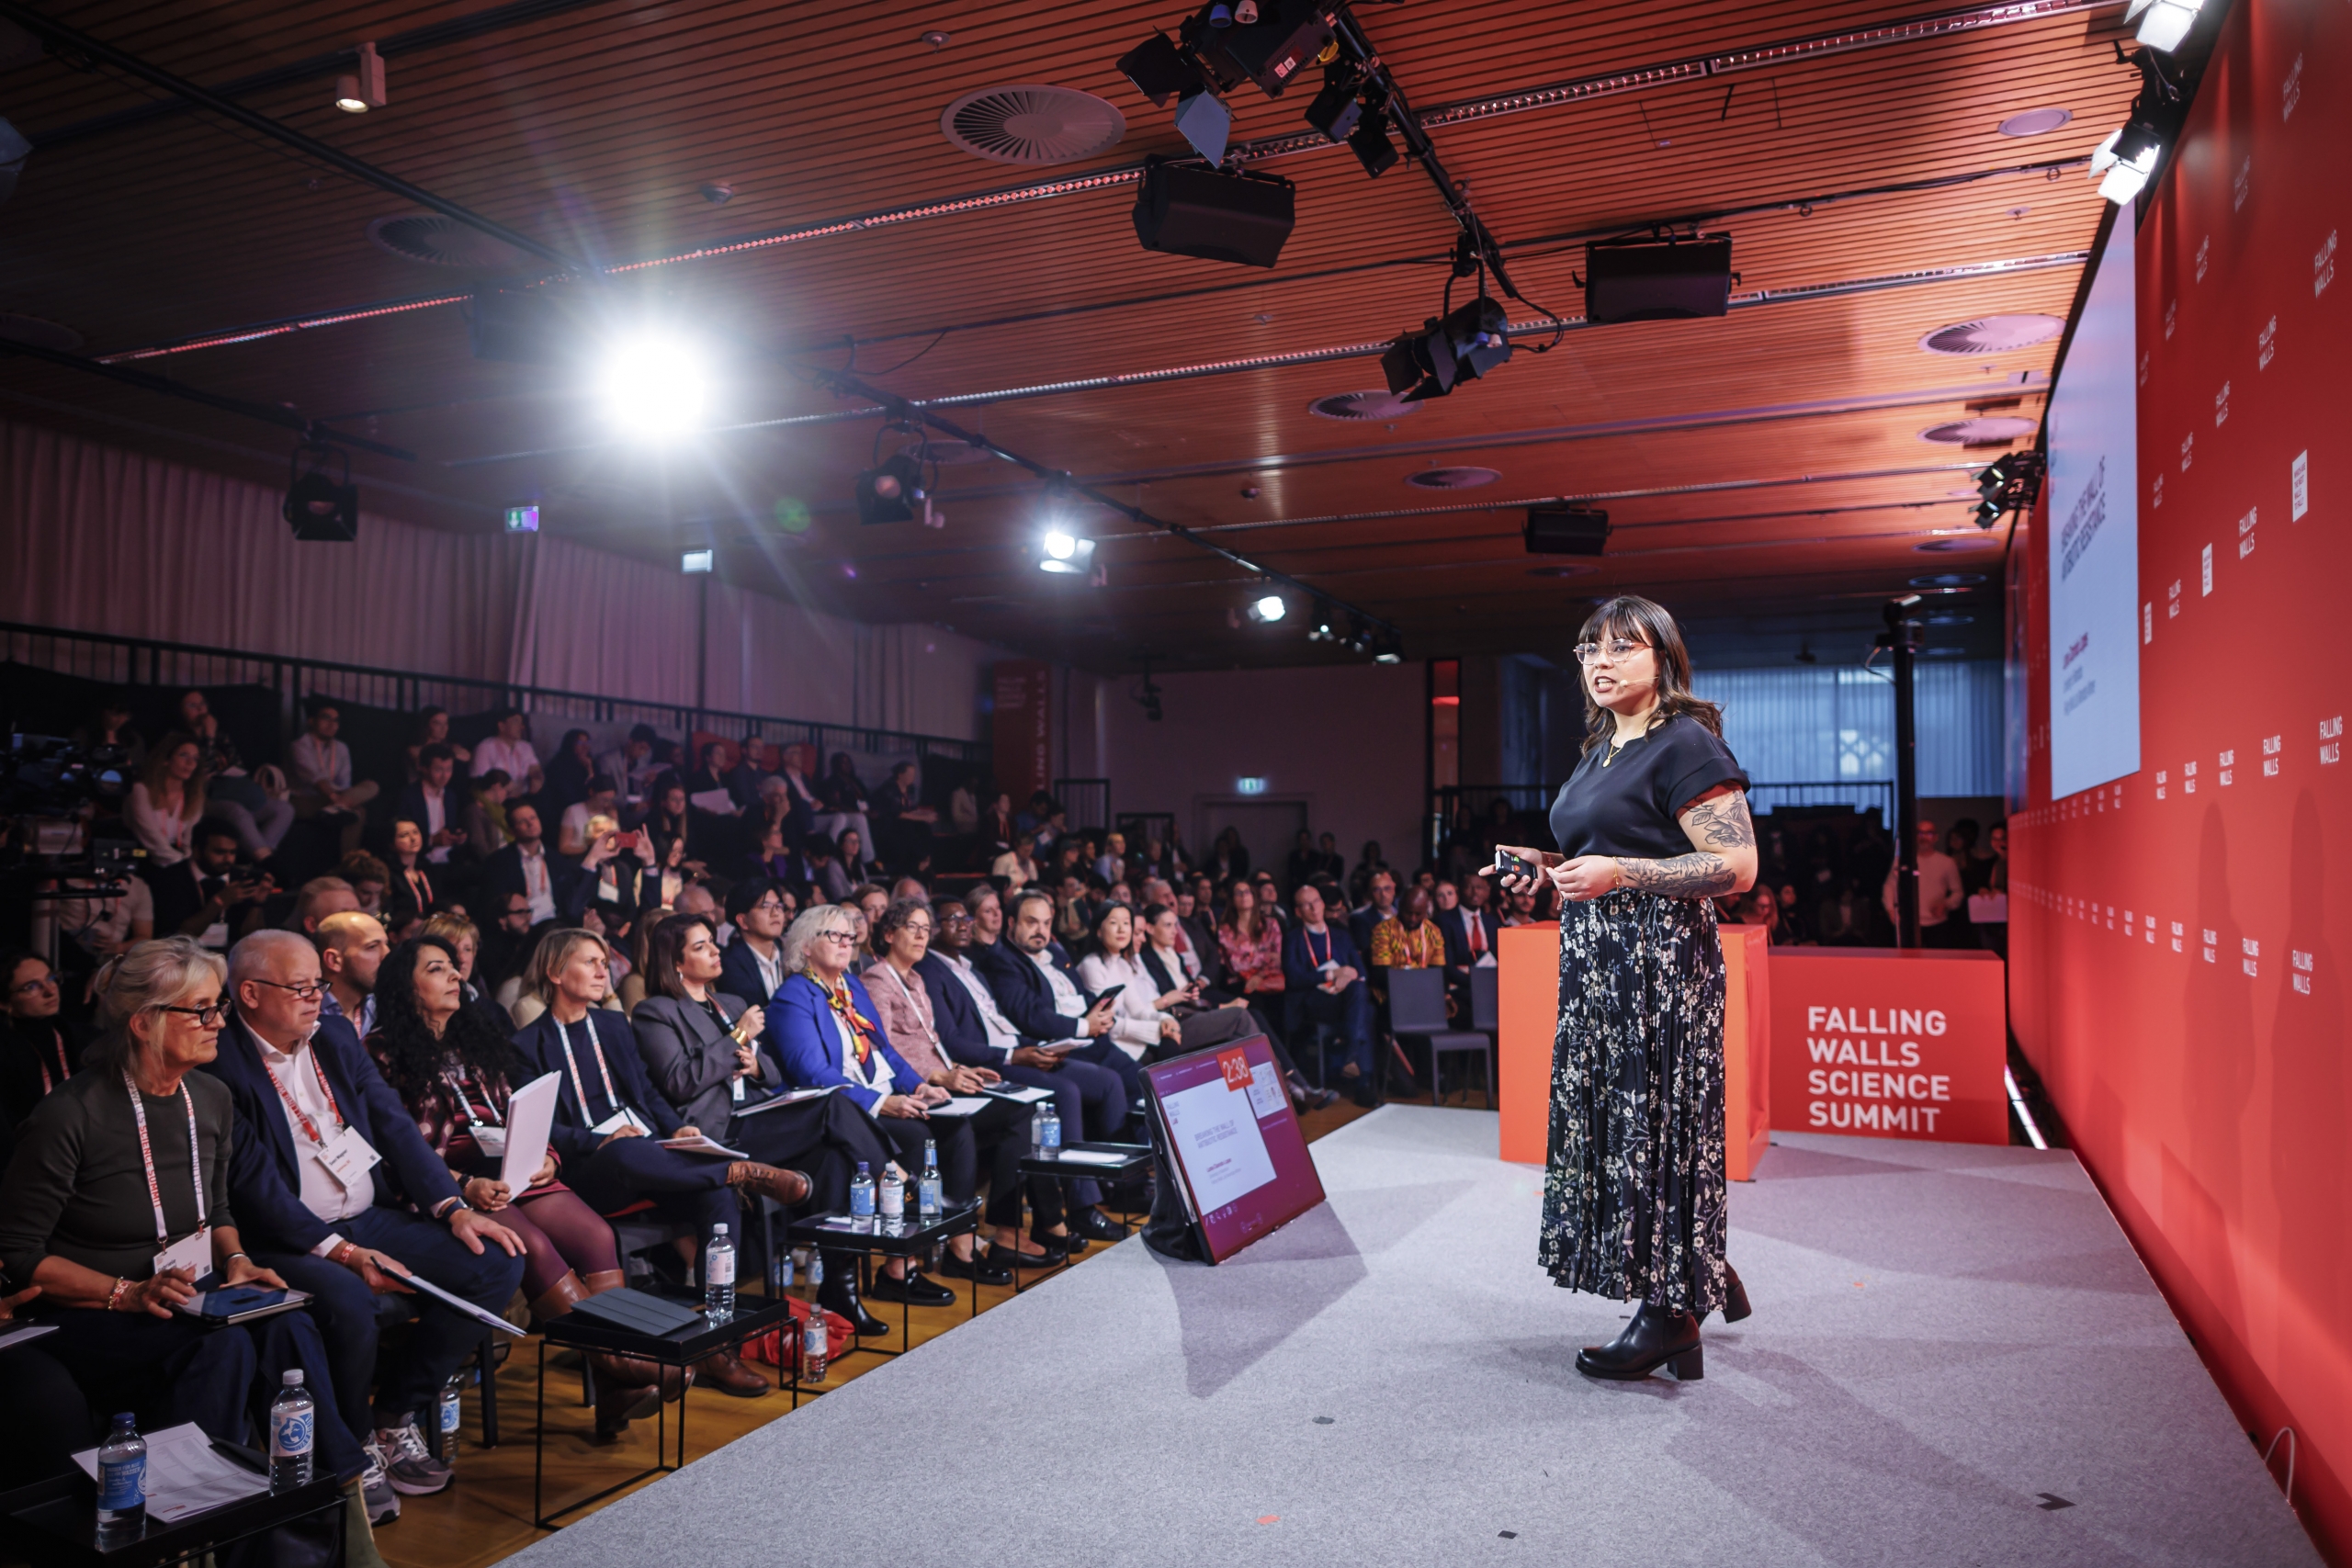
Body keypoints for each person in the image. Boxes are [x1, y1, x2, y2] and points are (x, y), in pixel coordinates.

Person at [0, 939, 372, 1513]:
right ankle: (183, 1518)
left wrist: (236, 1260)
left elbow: (216, 1210)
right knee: (221, 1349)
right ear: (145, 1022)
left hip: (187, 1292)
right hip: (93, 1310)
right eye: (201, 1010)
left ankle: (326, 1499)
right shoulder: (70, 1115)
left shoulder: (210, 1096)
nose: (218, 1021)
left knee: (287, 1324)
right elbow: (21, 1254)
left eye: (217, 1006)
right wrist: (124, 1293)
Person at [1492, 594, 1757, 1382]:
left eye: (1620, 648)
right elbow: (1613, 849)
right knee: (1619, 1128)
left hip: (1661, 971)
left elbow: (1736, 868)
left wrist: (1619, 874)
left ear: (1663, 659)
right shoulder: (1603, 746)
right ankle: (1692, 1271)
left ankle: (1675, 1309)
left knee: (1657, 1124)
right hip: (1599, 968)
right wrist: (1544, 864)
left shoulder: (1687, 743)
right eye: (1587, 649)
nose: (1599, 662)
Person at [209, 928, 526, 1506]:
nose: (316, 999)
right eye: (300, 988)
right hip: (289, 1238)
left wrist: (453, 1208)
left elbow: (393, 1126)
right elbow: (252, 1186)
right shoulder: (222, 1058)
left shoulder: (332, 1035)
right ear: (250, 993)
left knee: (494, 1259)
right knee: (351, 1300)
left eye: (319, 986)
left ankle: (395, 1414)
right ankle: (354, 1447)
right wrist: (344, 1253)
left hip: (366, 1215)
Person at [366, 933, 683, 1437]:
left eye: (454, 966)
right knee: (531, 1245)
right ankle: (622, 1366)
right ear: (404, 987)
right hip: (451, 1182)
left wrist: (549, 1159)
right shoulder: (380, 1053)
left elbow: (523, 1112)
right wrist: (464, 1184)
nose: (455, 976)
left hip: (515, 1163)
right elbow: (399, 1151)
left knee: (597, 1236)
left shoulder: (474, 1037)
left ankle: (614, 1381)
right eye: (436, 969)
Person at [509, 931, 831, 1317]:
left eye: (604, 961)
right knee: (623, 1148)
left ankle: (717, 1320)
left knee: (719, 1197)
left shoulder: (612, 1026)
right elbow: (541, 1129)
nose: (603, 971)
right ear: (555, 973)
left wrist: (676, 1129)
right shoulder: (526, 1045)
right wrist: (600, 1139)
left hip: (649, 1153)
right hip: (590, 1168)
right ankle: (736, 1171)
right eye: (590, 962)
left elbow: (645, 1090)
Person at [763, 907, 965, 1304]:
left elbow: (884, 1050)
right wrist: (880, 1103)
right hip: (834, 1111)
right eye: (834, 936)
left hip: (879, 1095)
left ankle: (934, 1251)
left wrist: (919, 1086)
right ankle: (899, 1257)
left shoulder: (852, 987)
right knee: (914, 1133)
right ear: (805, 946)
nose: (845, 943)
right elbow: (811, 1073)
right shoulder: (793, 996)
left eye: (849, 937)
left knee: (957, 1125)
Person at [859, 900, 1044, 1285]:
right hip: (910, 1091)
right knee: (963, 1127)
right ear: (889, 934)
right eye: (913, 927)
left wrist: (955, 1069)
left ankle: (995, 1229)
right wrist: (938, 1077)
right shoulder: (877, 980)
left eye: (926, 928)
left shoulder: (916, 979)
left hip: (939, 1082)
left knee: (1023, 1109)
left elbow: (932, 1040)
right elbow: (883, 1048)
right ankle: (961, 1243)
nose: (922, 935)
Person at [1282, 884, 1376, 1103]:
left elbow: (1360, 972)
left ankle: (1356, 1067)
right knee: (1366, 1009)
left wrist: (1347, 976)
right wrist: (1332, 974)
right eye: (1306, 904)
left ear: (1323, 904)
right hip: (1314, 1002)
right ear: (1298, 912)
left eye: (1316, 901)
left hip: (1345, 999)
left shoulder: (1341, 935)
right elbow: (1294, 978)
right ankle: (1362, 1076)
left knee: (1362, 997)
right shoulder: (1293, 938)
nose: (1313, 908)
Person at [177, 691, 293, 858]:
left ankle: (262, 855)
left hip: (230, 790)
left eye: (203, 704)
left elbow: (238, 765)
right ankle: (265, 859)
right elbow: (200, 770)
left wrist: (214, 739)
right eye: (193, 706)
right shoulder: (181, 740)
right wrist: (209, 736)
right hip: (204, 797)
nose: (201, 709)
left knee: (284, 809)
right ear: (182, 712)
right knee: (237, 810)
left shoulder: (221, 737)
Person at [2, 952, 78, 1134]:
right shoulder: (6, 1051)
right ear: (4, 1003)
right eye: (32, 987)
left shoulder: (81, 1037)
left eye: (51, 978)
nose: (50, 991)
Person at [287, 704, 379, 852]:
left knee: (372, 785)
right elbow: (315, 778)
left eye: (336, 721)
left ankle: (348, 862)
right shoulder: (299, 745)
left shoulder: (341, 748)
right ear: (311, 721)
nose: (332, 724)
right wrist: (337, 800)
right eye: (326, 718)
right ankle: (348, 860)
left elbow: (344, 783)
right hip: (305, 799)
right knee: (357, 812)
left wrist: (342, 800)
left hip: (335, 799)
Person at [480, 801, 576, 926]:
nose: (530, 824)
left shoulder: (556, 859)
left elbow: (568, 898)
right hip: (520, 928)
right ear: (512, 831)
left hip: (555, 925)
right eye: (522, 821)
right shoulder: (498, 861)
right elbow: (495, 903)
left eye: (533, 818)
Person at [127, 731, 208, 867]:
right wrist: (177, 859)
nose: (190, 763)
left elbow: (188, 839)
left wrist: (184, 855)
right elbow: (150, 836)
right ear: (166, 759)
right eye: (183, 755)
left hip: (176, 860)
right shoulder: (140, 790)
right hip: (141, 858)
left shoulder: (194, 796)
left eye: (195, 758)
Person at [1883, 818, 1965, 946]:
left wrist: (1946, 904)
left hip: (1937, 924)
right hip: (1909, 923)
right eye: (1920, 833)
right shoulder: (1902, 861)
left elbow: (1958, 892)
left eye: (1928, 833)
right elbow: (1890, 885)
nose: (1923, 837)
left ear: (1936, 837)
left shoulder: (1947, 862)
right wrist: (1890, 909)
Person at [396, 744, 471, 868]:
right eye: (438, 770)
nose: (445, 776)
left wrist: (458, 837)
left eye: (449, 769)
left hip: (447, 860)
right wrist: (431, 840)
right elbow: (397, 837)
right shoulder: (408, 797)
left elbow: (451, 828)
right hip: (418, 861)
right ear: (423, 768)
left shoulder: (450, 796)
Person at [718, 878, 790, 1007]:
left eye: (779, 906)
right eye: (765, 907)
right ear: (743, 921)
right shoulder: (730, 965)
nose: (776, 913)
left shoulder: (790, 955)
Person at [471, 709, 543, 801]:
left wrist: (537, 778)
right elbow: (479, 782)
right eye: (515, 722)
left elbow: (536, 769)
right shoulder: (485, 748)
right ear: (501, 726)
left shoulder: (526, 747)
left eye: (521, 723)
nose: (521, 727)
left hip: (524, 798)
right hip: (500, 801)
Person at [383, 821, 442, 929]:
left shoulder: (427, 870)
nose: (413, 838)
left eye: (415, 832)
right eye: (404, 835)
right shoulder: (389, 875)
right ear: (391, 843)